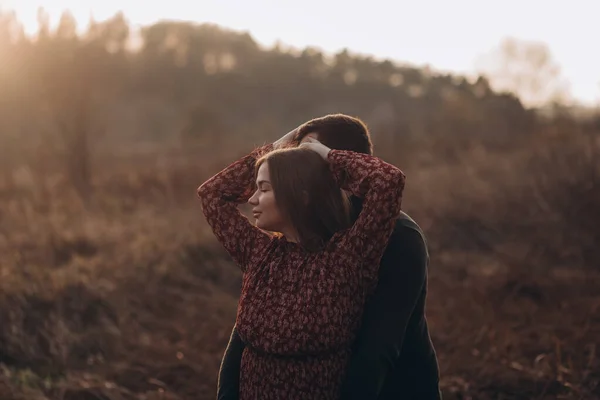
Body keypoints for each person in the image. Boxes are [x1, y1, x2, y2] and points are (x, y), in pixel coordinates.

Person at [216, 114, 442, 400]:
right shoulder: (298, 234)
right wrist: (278, 148)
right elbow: (249, 331)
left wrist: (329, 156)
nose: (295, 165)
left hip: (396, 387)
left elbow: (379, 347)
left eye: (308, 155)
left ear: (343, 164)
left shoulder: (398, 238)